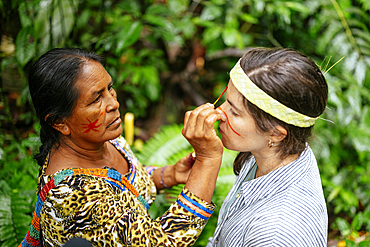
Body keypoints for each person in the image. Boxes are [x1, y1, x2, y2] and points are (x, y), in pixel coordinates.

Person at [19, 48, 223, 246]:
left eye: (110, 88)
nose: (113, 103)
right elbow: (161, 242)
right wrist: (208, 159)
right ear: (59, 123)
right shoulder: (74, 196)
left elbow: (124, 184)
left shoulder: (103, 139)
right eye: (96, 98)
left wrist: (169, 175)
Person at [205, 47, 329, 246]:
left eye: (235, 112)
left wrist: (207, 161)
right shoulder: (270, 153)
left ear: (276, 133)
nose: (219, 112)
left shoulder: (276, 234)